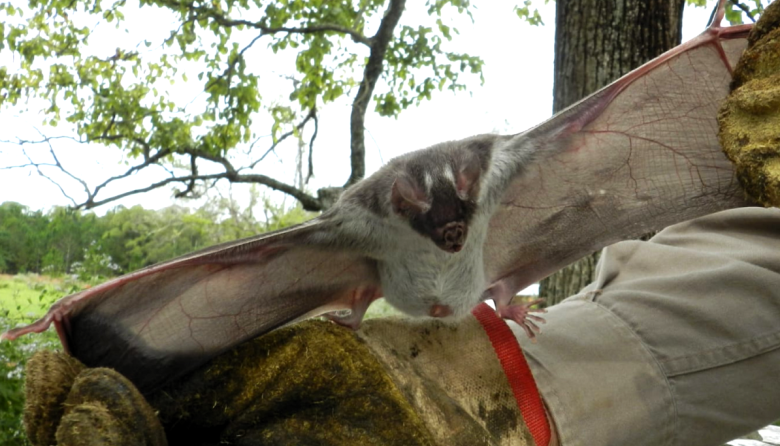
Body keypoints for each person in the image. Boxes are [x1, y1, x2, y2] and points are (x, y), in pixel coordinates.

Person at [19, 2, 780, 445]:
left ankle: (496, 314)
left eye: (459, 210)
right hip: (398, 292)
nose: (449, 223)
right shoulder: (356, 226)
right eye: (436, 215)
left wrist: (511, 326)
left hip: (486, 286)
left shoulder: (512, 171)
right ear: (405, 208)